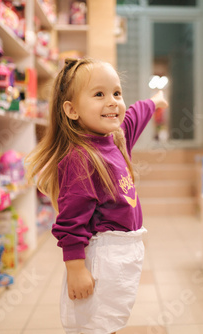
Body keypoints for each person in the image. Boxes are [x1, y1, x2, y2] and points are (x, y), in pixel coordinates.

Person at [25, 57, 168, 334]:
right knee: (94, 325)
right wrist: (75, 268)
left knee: (109, 321)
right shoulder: (81, 158)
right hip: (102, 258)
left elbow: (135, 115)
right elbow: (70, 222)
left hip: (122, 257)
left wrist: (155, 101)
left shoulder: (114, 139)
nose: (113, 101)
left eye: (116, 92)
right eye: (99, 94)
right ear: (72, 110)